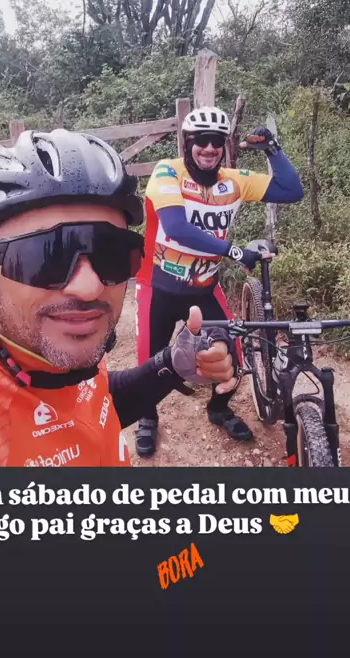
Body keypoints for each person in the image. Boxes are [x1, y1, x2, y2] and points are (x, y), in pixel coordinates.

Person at [0, 128, 237, 467]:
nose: (89, 287)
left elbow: (90, 403)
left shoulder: (53, 356)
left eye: (111, 255)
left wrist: (171, 364)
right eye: (45, 256)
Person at [134, 106, 304, 457]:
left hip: (205, 287)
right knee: (150, 360)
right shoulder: (167, 172)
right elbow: (177, 229)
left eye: (216, 141)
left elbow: (291, 190)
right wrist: (235, 252)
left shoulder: (235, 180)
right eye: (201, 140)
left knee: (233, 354)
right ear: (187, 143)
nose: (209, 148)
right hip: (158, 286)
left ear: (225, 145)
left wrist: (272, 149)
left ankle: (219, 409)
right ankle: (147, 416)